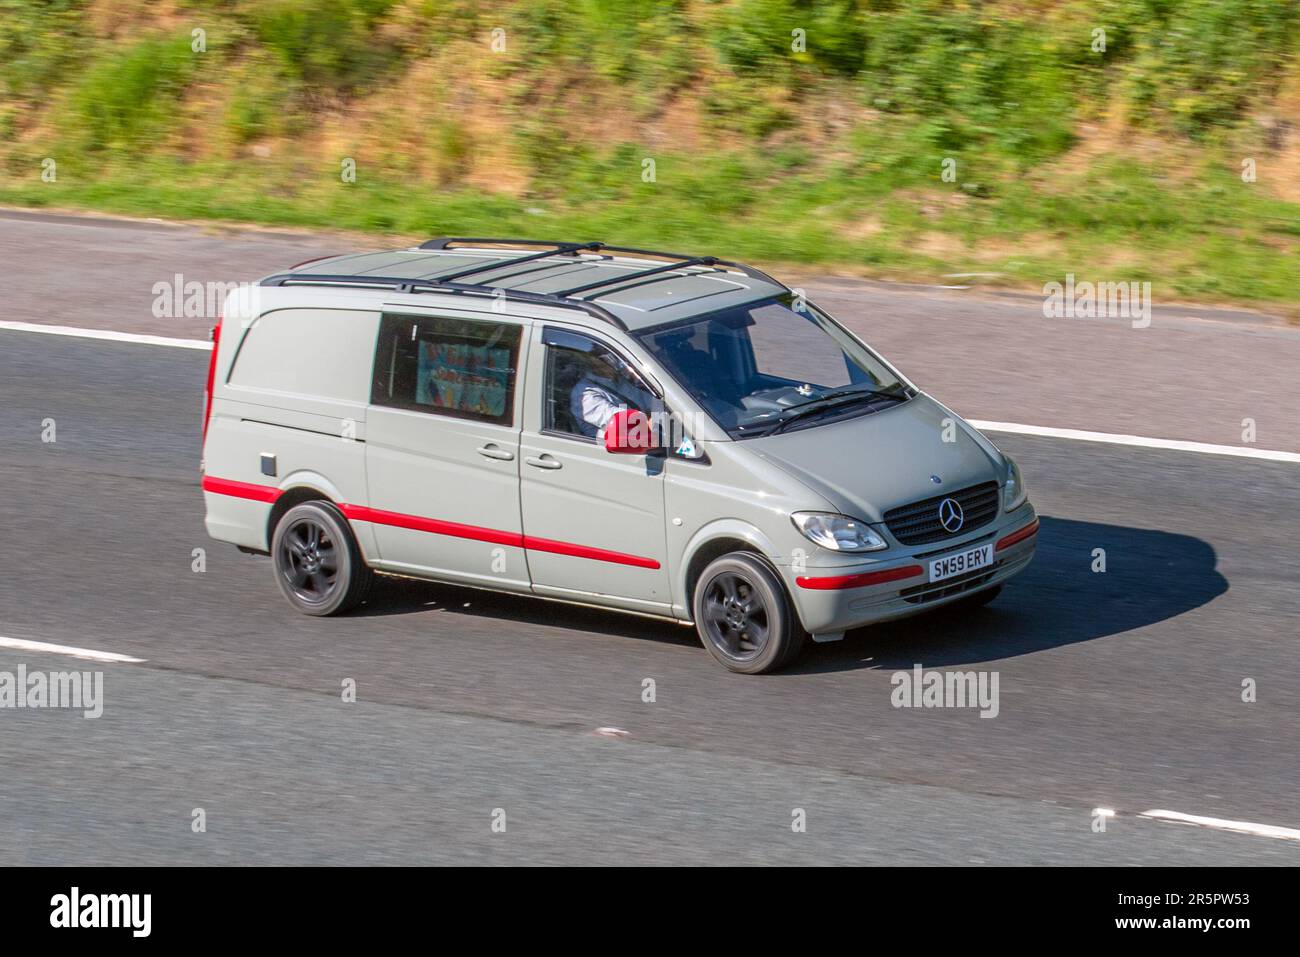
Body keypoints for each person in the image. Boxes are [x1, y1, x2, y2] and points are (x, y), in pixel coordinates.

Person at [570, 352, 654, 439]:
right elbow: (619, 420)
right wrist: (648, 420)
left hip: (644, 438)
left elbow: (649, 402)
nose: (610, 360)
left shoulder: (620, 380)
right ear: (592, 362)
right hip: (611, 448)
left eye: (611, 356)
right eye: (603, 358)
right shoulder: (585, 393)